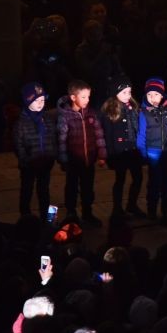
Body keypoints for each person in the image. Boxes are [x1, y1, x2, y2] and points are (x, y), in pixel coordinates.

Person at [57, 80, 107, 227]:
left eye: (88, 96)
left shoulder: (91, 114)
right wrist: (63, 159)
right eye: (83, 97)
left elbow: (99, 134)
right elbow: (61, 140)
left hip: (89, 160)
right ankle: (71, 213)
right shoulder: (65, 117)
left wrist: (102, 154)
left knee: (88, 188)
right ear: (73, 97)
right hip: (73, 161)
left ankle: (87, 213)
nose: (87, 100)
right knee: (71, 187)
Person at [137, 77, 167, 222]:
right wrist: (142, 153)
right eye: (149, 94)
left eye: (156, 94)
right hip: (153, 151)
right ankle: (152, 208)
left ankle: (166, 204)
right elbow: (141, 134)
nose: (153, 98)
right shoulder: (144, 112)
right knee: (155, 181)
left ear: (162, 95)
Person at [100, 76, 144, 218]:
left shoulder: (134, 108)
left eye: (129, 92)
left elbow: (139, 129)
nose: (127, 95)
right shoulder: (111, 110)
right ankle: (117, 209)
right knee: (120, 180)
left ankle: (132, 205)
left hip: (134, 150)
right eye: (124, 92)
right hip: (120, 153)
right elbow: (108, 135)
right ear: (115, 93)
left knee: (138, 178)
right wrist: (110, 155)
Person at [13, 82, 57, 219]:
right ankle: (25, 215)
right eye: (36, 100)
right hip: (29, 165)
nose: (40, 103)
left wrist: (52, 155)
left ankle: (46, 216)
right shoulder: (21, 123)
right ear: (27, 101)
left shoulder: (47, 119)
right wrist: (25, 160)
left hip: (45, 162)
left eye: (42, 100)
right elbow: (18, 144)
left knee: (44, 190)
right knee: (27, 189)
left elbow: (53, 138)